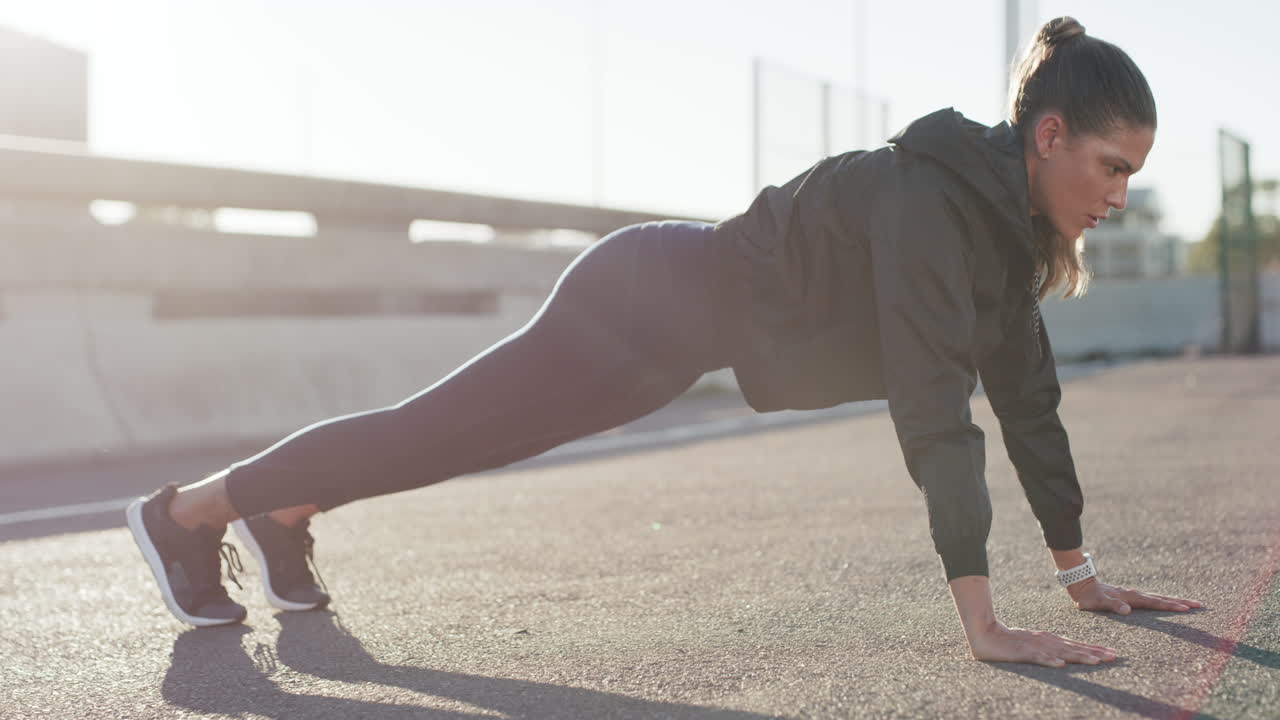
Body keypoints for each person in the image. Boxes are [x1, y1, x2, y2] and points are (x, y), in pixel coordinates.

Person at [127, 16, 1200, 668]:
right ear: (1048, 135)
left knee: (465, 443)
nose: (1114, 195)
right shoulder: (931, 204)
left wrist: (1079, 575)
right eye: (1109, 167)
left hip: (672, 343)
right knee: (435, 432)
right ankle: (184, 514)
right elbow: (933, 406)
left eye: (1129, 179)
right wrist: (985, 623)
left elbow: (1024, 399)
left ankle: (287, 505)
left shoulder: (999, 243)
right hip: (642, 294)